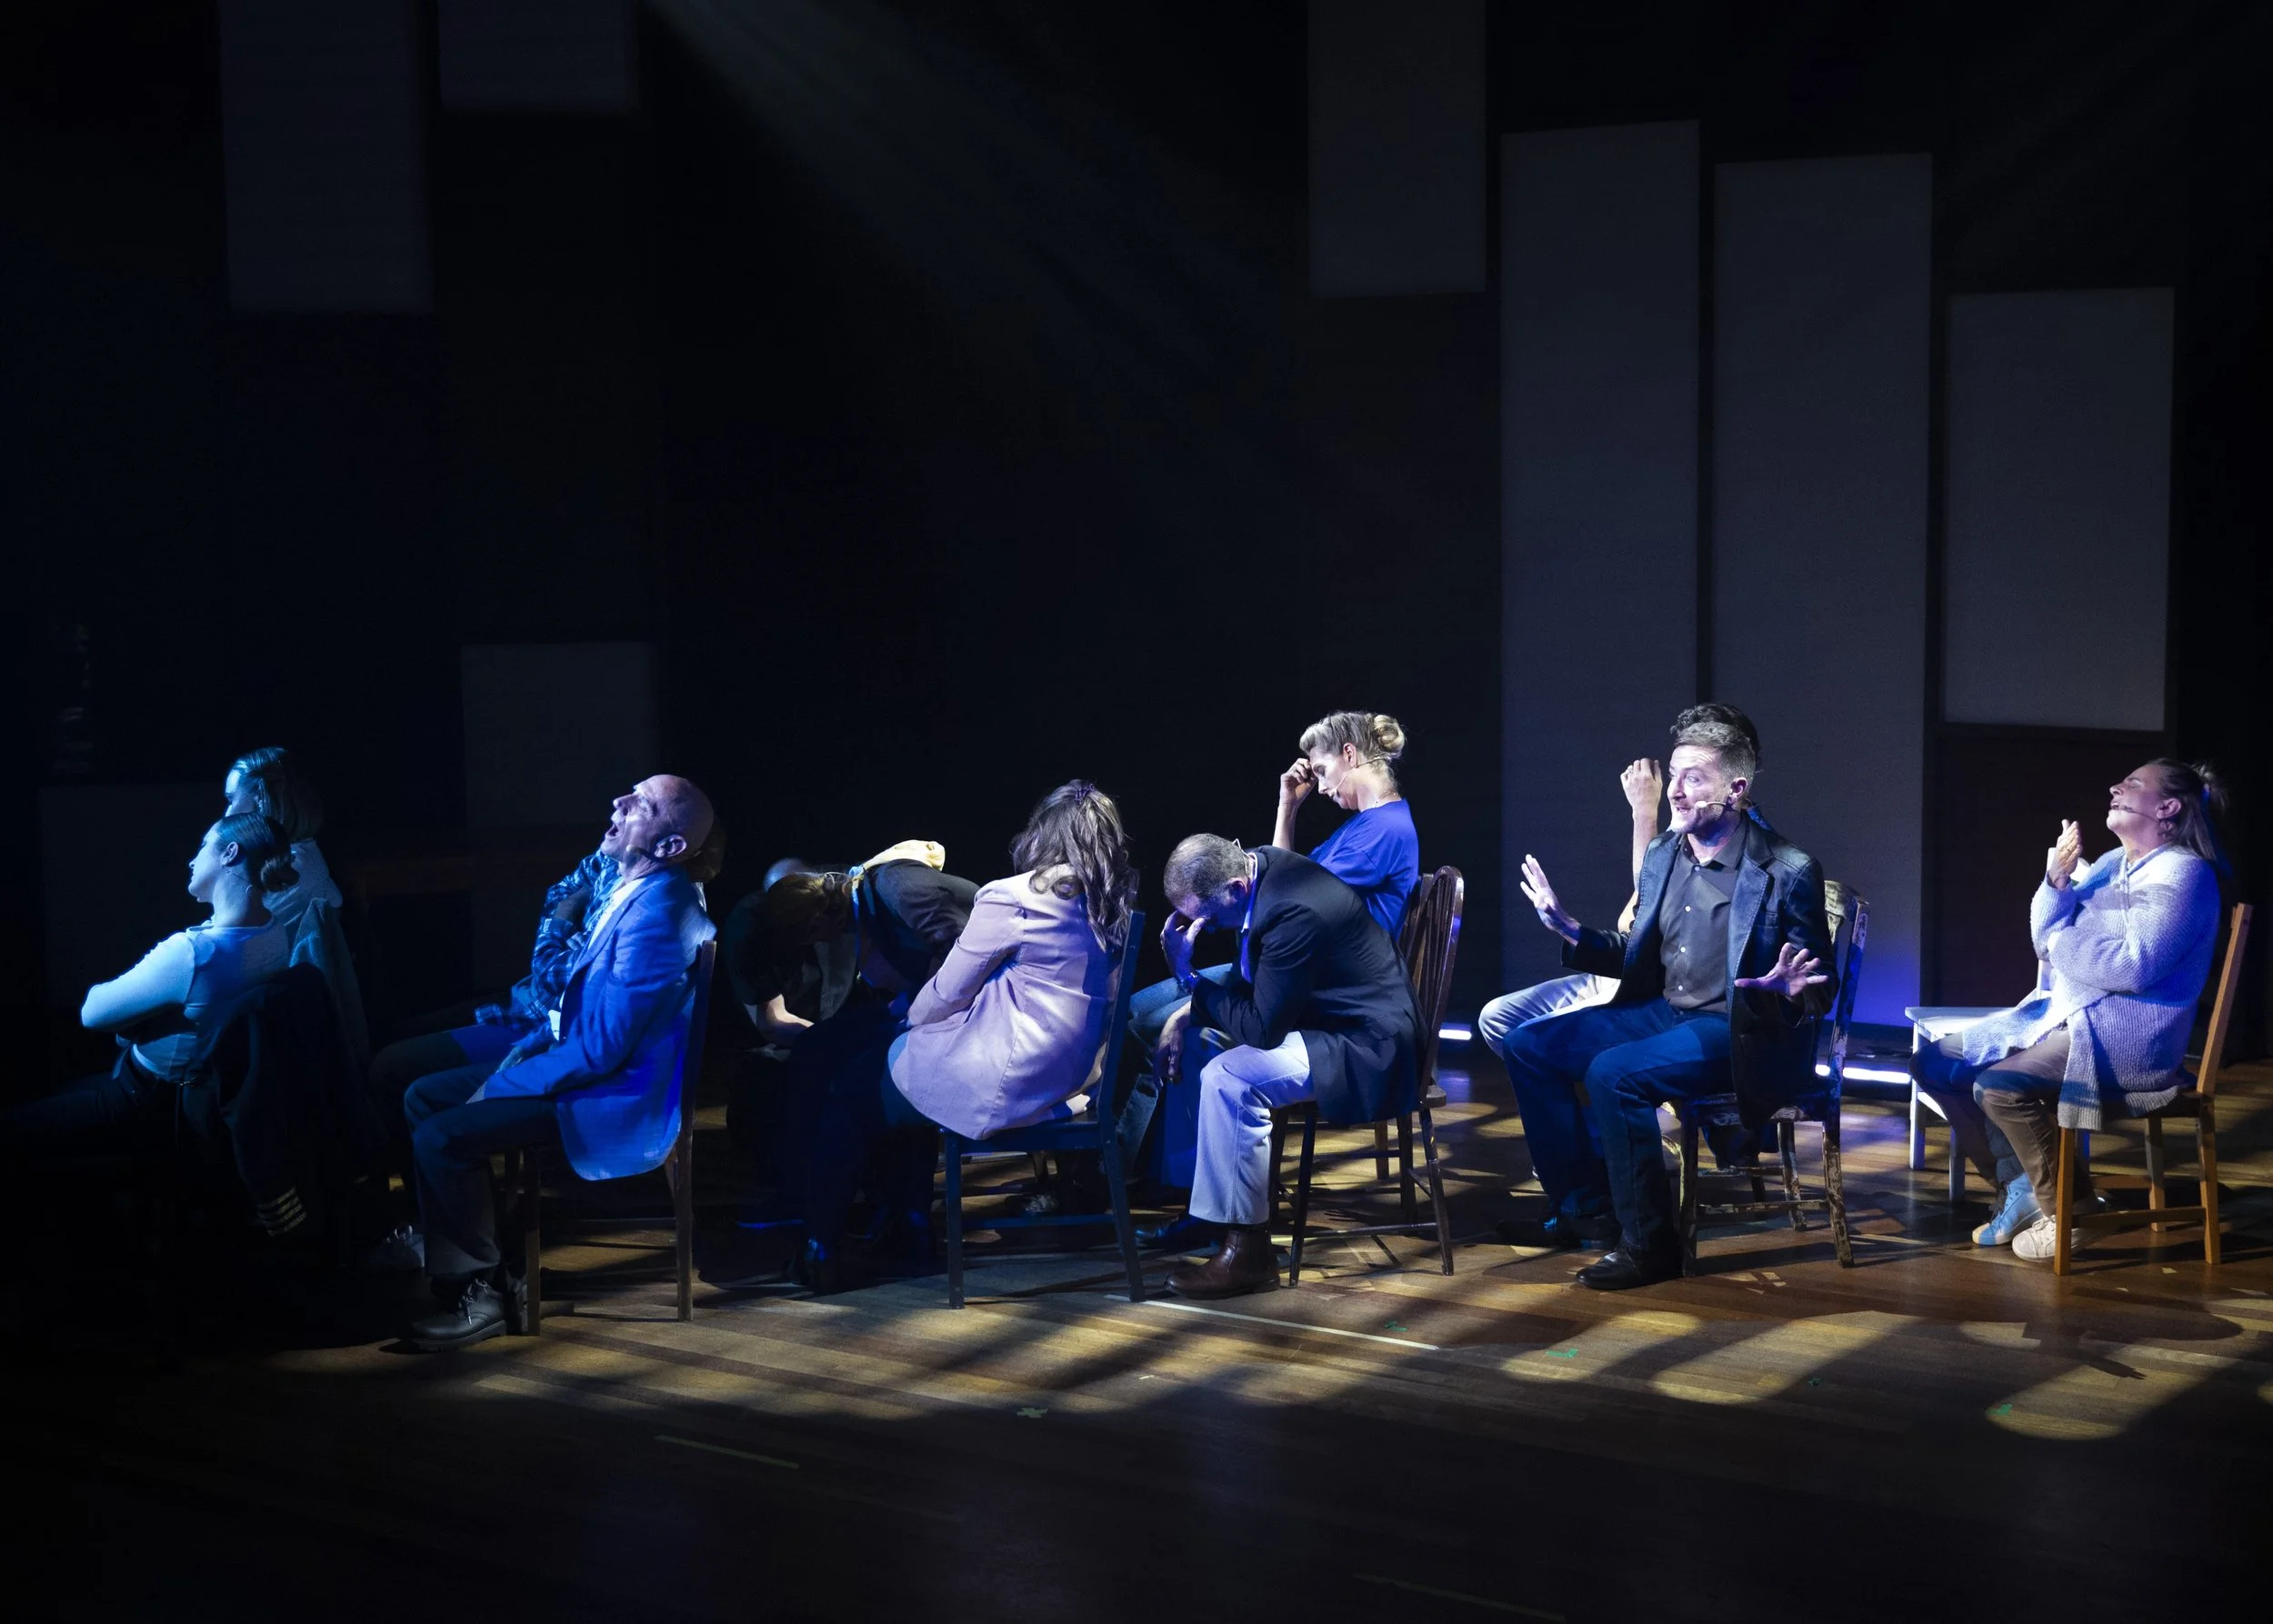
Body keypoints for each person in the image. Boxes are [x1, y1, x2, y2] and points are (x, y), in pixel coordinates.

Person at [1508, 708, 1836, 1289]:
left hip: (1734, 1024)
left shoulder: (1787, 870)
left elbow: (1818, 986)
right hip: (1663, 1009)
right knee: (1528, 1044)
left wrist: (1786, 993)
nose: (1676, 793)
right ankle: (1586, 1206)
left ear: (1737, 789)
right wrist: (1572, 931)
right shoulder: (1664, 853)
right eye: (1675, 776)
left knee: (1613, 1075)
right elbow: (1637, 953)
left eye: (1694, 779)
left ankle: (1650, 1247)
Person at [401, 775, 717, 1350]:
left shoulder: (657, 915)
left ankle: (478, 1295)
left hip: (608, 1096)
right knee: (421, 1096)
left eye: (640, 805)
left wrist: (501, 1083)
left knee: (443, 1135)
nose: (618, 804)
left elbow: (600, 1051)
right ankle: (498, 1266)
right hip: (580, 1062)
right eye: (627, 793)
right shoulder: (628, 885)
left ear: (671, 847)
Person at [795, 784, 1139, 1289]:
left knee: (854, 1089)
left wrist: (911, 1017)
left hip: (1011, 1077)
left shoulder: (1014, 896)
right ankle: (908, 1228)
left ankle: (818, 1247)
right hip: (1073, 1075)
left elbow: (949, 990)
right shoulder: (1115, 902)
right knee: (902, 1082)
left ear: (1042, 832)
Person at [1911, 760, 2229, 1262]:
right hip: (2070, 1014)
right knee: (1933, 1064)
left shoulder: (2185, 873)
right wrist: (2056, 882)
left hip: (2125, 1036)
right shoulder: (2108, 864)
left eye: (2133, 785)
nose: (2115, 788)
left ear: (2168, 807)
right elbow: (2044, 941)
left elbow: (2131, 966)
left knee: (1999, 1086)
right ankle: (2021, 1187)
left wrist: (2062, 938)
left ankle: (2074, 1209)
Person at [1149, 832, 1420, 1299]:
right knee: (1201, 1050)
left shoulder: (1292, 912)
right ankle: (1212, 1214)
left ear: (1236, 887)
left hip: (1367, 1044)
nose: (1207, 932)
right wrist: (1187, 1012)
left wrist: (1188, 979)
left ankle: (1249, 1253)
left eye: (1208, 922)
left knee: (1230, 1078)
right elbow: (1257, 993)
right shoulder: (1264, 870)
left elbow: (1262, 1028)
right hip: (1329, 1022)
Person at [4, 814, 296, 1158]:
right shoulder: (275, 932)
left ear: (229, 853)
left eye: (203, 846)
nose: (192, 859)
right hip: (197, 1102)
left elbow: (92, 1013)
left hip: (144, 1104)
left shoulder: (194, 954)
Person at [1477, 755, 1663, 1248]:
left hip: (1639, 983)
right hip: (1612, 969)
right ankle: (1580, 1152)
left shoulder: (1721, 840)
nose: (1678, 789)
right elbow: (1633, 916)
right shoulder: (1681, 839)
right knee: (1497, 1019)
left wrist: (1644, 812)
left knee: (1535, 1047)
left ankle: (1584, 1192)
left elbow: (1643, 926)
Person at [1272, 710, 1421, 939]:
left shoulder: (1385, 829)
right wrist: (1288, 806)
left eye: (1322, 771)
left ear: (1350, 754)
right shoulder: (1369, 822)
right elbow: (1283, 880)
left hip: (1341, 972)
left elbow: (1289, 898)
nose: (1320, 788)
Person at [224, 747, 342, 934]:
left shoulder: (295, 868)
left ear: (261, 800)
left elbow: (234, 936)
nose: (227, 814)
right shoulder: (292, 859)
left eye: (231, 800)